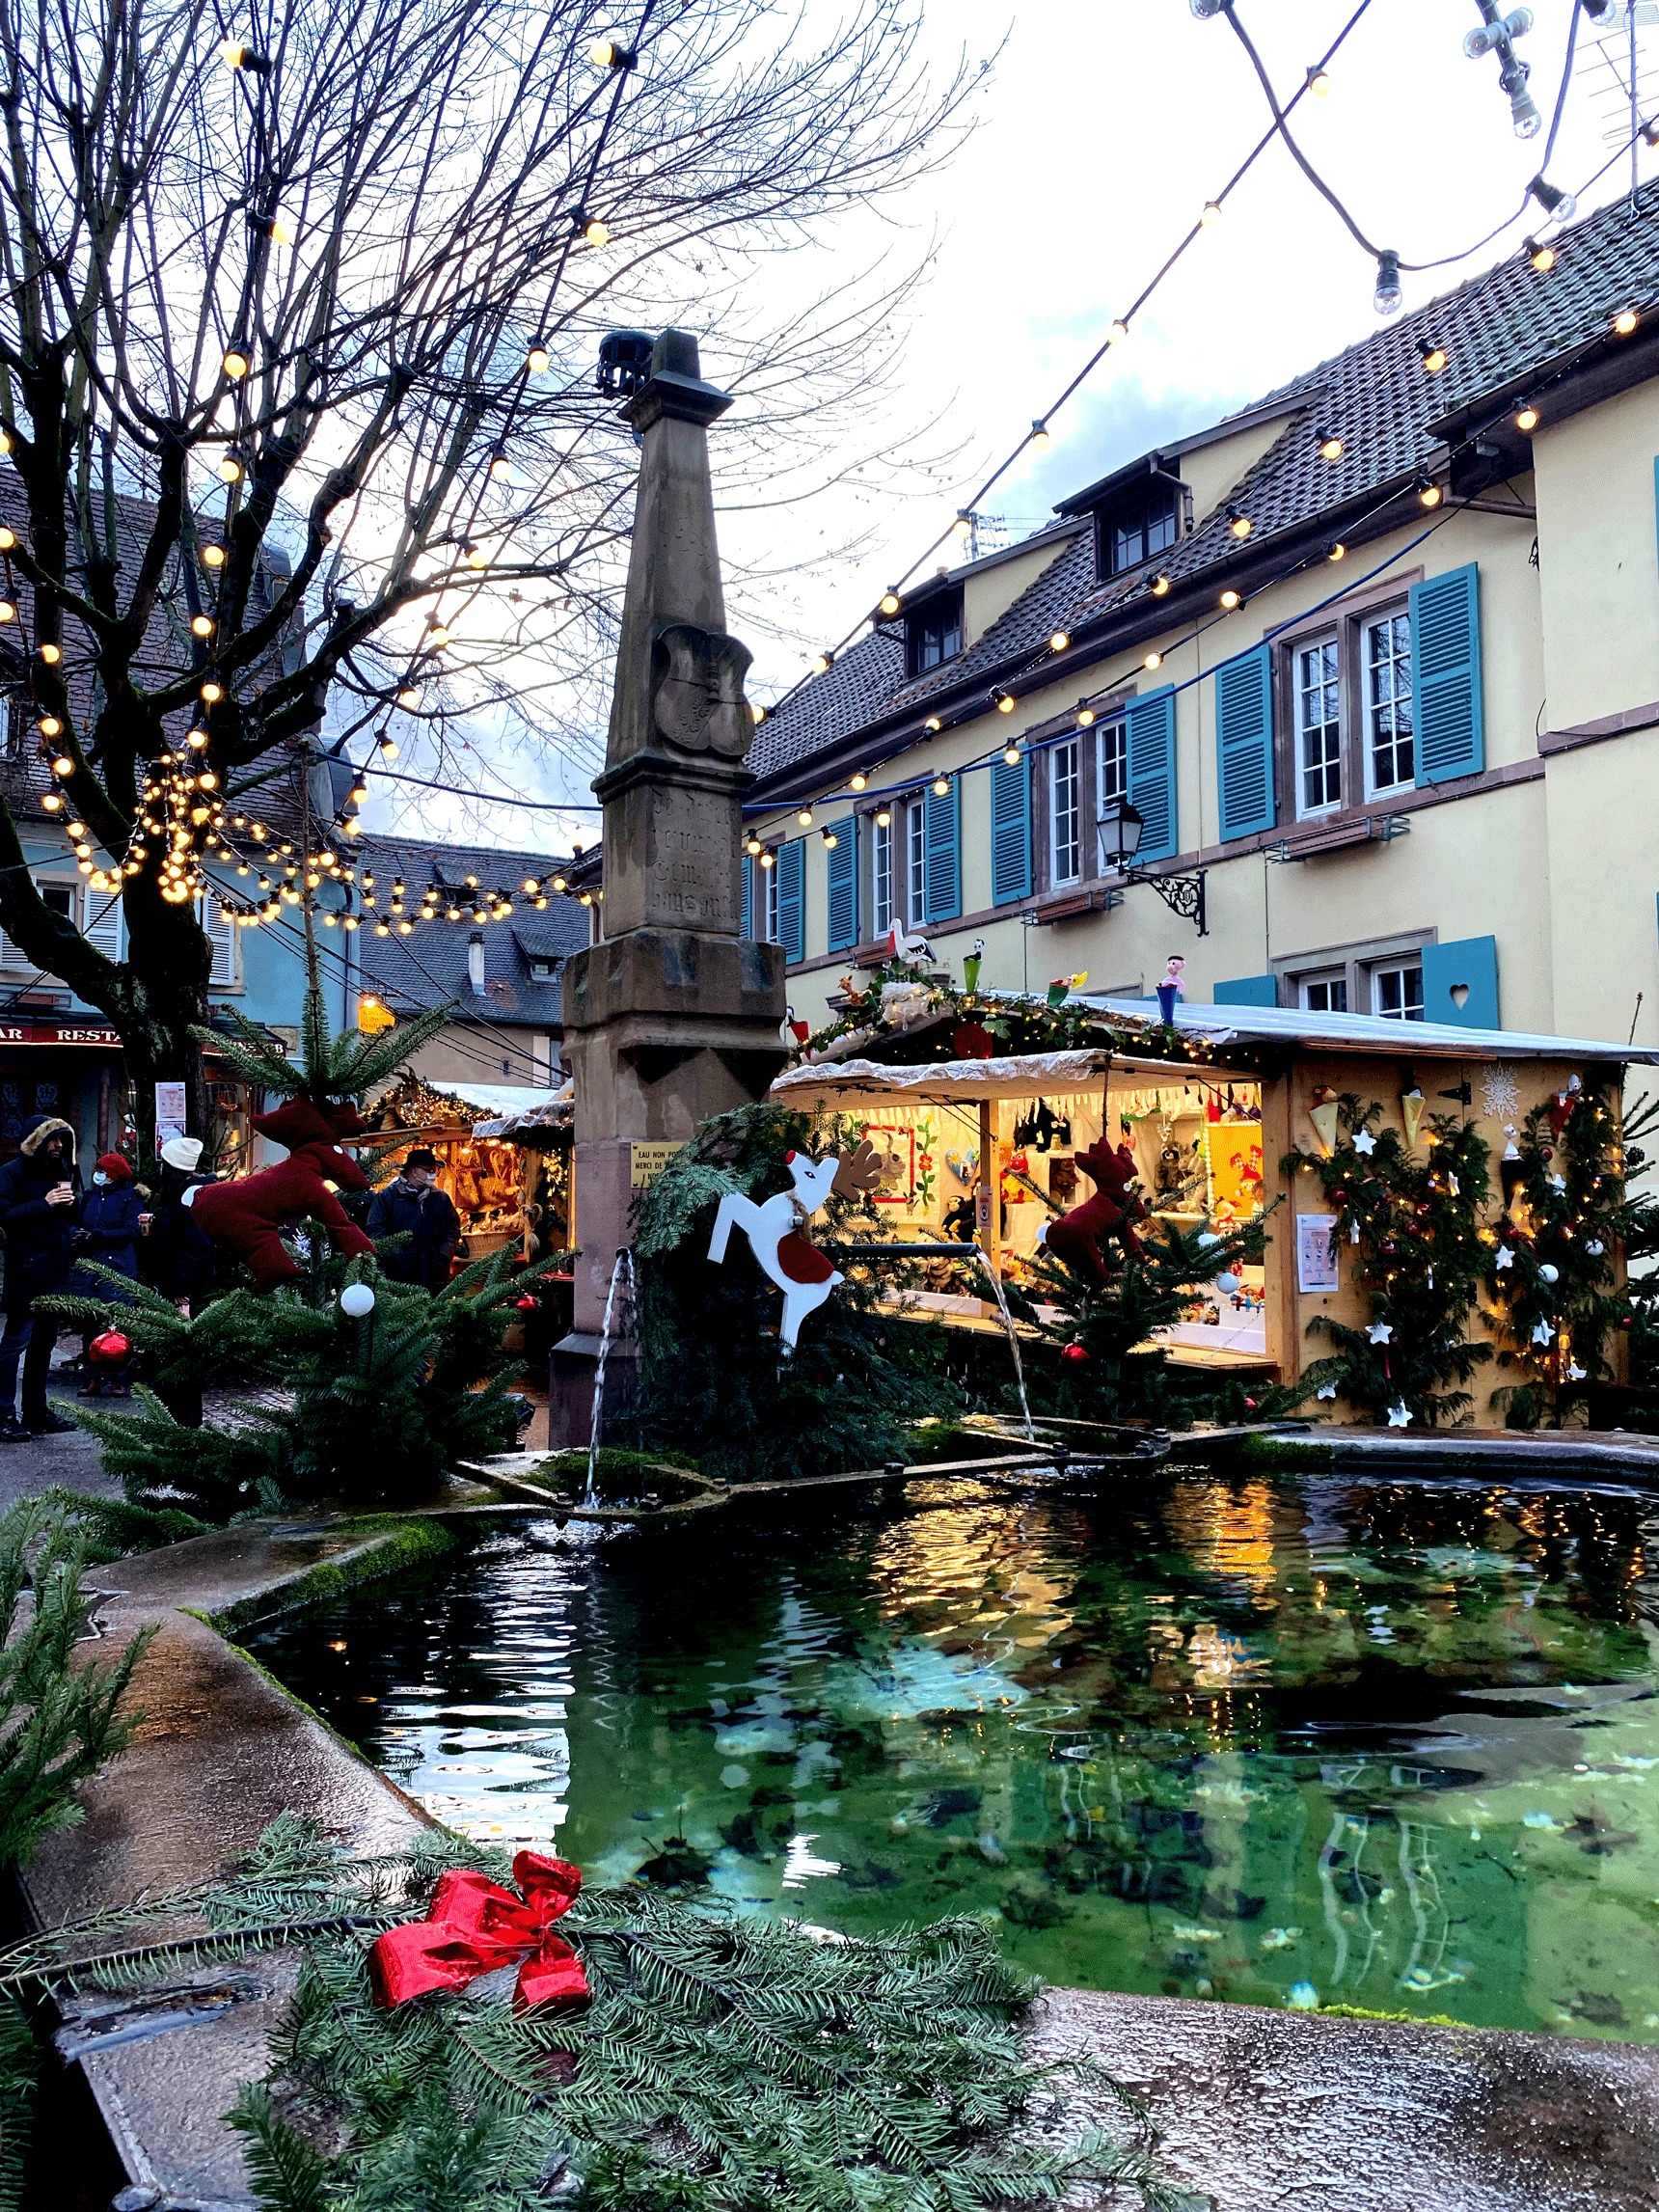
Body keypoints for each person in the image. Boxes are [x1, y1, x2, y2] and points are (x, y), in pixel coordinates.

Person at [0, 1113, 83, 1439]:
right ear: (36, 1141)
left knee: (44, 1344)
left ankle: (36, 1411)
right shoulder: (10, 1173)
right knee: (15, 1344)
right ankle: (4, 1414)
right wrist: (44, 1204)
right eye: (53, 1140)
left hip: (55, 1271)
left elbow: (68, 1216)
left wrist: (74, 1203)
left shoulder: (61, 1170)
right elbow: (5, 1216)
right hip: (26, 1273)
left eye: (62, 1140)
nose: (58, 1146)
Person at [141, 1134, 218, 1428]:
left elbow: (194, 1248)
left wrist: (183, 1295)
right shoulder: (180, 1195)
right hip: (171, 1285)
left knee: (179, 1363)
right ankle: (174, 1422)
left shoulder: (191, 1196)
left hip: (180, 1291)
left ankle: (185, 1424)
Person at [71, 1152, 144, 1397]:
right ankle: (91, 1376)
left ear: (113, 1176)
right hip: (90, 1267)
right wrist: (78, 1234)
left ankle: (118, 1378)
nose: (98, 1175)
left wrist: (100, 1235)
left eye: (103, 1171)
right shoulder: (90, 1196)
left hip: (117, 1267)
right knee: (90, 1325)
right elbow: (78, 1221)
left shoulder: (129, 1198)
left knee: (117, 1326)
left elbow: (132, 1231)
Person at [366, 1148, 461, 1289]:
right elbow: (375, 1231)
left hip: (435, 1274)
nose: (433, 1174)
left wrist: (443, 1255)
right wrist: (398, 1257)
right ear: (413, 1171)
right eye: (428, 1170)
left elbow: (453, 1228)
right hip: (397, 1276)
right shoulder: (388, 1197)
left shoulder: (441, 1198)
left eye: (434, 1170)